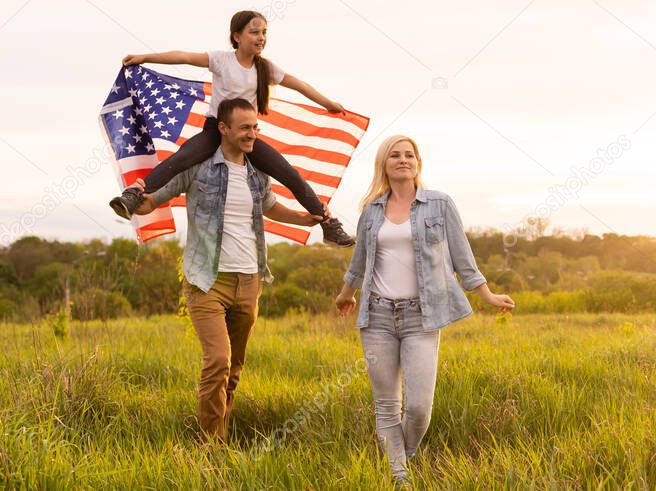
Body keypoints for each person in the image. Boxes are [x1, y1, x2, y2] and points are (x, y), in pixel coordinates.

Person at [133, 98, 327, 441]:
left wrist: (302, 217)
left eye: (255, 127)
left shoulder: (256, 173)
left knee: (234, 368)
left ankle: (220, 433)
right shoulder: (198, 168)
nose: (252, 134)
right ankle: (211, 447)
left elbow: (270, 207)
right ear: (223, 129)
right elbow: (155, 197)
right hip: (207, 282)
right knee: (218, 360)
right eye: (245, 128)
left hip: (250, 280)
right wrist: (136, 196)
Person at [335, 135, 516, 484]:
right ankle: (401, 478)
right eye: (395, 155)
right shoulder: (371, 211)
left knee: (418, 408)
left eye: (409, 155)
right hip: (378, 315)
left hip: (422, 316)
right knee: (386, 406)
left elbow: (463, 259)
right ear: (384, 164)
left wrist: (488, 295)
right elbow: (359, 262)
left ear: (418, 163)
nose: (403, 160)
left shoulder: (440, 204)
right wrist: (345, 294)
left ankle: (401, 459)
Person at [109, 9, 354, 246]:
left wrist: (328, 103)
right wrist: (145, 57)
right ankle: (133, 196)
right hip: (216, 129)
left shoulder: (264, 68)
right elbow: (183, 56)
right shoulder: (222, 60)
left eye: (264, 33)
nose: (261, 38)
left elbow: (297, 84)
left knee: (289, 174)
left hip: (246, 135)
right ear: (237, 36)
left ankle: (329, 226)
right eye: (255, 32)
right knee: (181, 159)